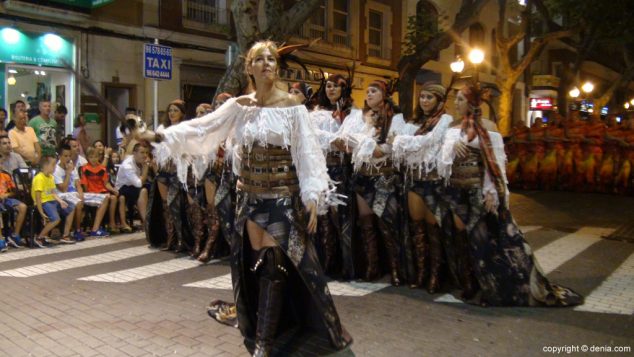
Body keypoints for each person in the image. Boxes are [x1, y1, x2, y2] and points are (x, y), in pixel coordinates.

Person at [142, 40, 351, 356]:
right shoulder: (240, 106)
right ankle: (266, 329)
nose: (266, 62)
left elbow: (306, 151)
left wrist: (311, 194)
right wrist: (158, 135)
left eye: (271, 58)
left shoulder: (293, 106)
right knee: (258, 267)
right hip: (249, 197)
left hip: (283, 197)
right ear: (249, 67)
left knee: (274, 264)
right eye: (259, 58)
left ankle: (264, 343)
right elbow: (203, 129)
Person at [437, 83, 583, 306]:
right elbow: (441, 161)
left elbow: (495, 163)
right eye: (455, 99)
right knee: (462, 239)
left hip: (478, 190)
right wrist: (452, 147)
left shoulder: (487, 126)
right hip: (456, 190)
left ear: (472, 102)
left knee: (482, 241)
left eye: (460, 99)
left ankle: (489, 287)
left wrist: (492, 192)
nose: (455, 103)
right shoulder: (451, 126)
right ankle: (468, 284)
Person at [334, 79, 408, 286]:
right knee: (366, 223)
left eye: (373, 91)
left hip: (383, 176)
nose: (369, 94)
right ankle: (372, 266)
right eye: (367, 91)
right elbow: (347, 142)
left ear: (384, 94)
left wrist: (367, 146)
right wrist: (354, 144)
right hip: (362, 175)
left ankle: (395, 269)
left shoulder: (395, 118)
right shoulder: (361, 117)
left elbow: (390, 147)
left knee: (386, 224)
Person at [391, 82, 453, 291]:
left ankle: (436, 276)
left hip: (435, 183)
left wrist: (407, 142)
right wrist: (407, 142)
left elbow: (430, 142)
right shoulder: (413, 122)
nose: (425, 101)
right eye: (422, 97)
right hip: (414, 180)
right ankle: (421, 272)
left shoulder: (446, 121)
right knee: (417, 230)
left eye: (430, 97)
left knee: (433, 230)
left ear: (440, 101)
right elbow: (398, 147)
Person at [309, 73, 356, 278]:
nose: (331, 90)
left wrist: (338, 141)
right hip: (323, 170)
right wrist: (333, 139)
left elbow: (351, 140)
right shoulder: (317, 114)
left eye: (336, 87)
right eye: (328, 86)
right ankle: (326, 263)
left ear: (344, 90)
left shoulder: (353, 114)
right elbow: (313, 135)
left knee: (342, 218)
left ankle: (347, 265)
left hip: (343, 171)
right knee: (324, 216)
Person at [32, 156, 76, 247]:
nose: (55, 167)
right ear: (45, 166)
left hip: (52, 201)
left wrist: (61, 201)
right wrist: (41, 212)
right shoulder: (39, 178)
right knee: (56, 219)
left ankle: (65, 235)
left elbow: (53, 193)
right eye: (53, 165)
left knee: (71, 207)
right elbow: (38, 198)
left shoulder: (51, 177)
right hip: (44, 202)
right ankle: (40, 237)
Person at [80, 147, 117, 236]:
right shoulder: (84, 168)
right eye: (91, 157)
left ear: (99, 157)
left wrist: (113, 190)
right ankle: (96, 228)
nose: (93, 159)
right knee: (106, 198)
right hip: (90, 193)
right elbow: (84, 185)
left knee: (114, 198)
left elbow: (106, 183)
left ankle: (111, 223)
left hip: (102, 192)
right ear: (88, 157)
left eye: (96, 157)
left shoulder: (102, 168)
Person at [115, 143, 150, 229]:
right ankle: (146, 222)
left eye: (146, 153)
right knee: (143, 191)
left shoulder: (141, 161)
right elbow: (139, 184)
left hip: (133, 186)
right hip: (122, 188)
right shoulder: (128, 165)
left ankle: (149, 220)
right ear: (134, 153)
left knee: (153, 189)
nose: (145, 155)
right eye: (142, 152)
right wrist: (145, 169)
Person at [0, 167, 27, 248]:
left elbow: (14, 192)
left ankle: (15, 234)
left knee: (23, 207)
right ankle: (1, 238)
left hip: (6, 199)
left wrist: (6, 195)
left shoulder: (5, 175)